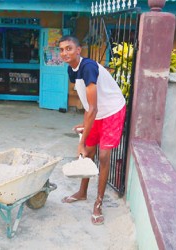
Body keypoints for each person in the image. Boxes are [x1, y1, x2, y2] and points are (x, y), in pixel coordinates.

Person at [58, 35, 126, 225]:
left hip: (112, 110)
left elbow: (93, 108)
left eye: (69, 48)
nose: (65, 53)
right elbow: (87, 102)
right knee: (88, 153)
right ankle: (82, 192)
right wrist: (85, 124)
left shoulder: (88, 66)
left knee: (103, 156)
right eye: (62, 49)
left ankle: (99, 202)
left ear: (78, 50)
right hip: (97, 112)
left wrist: (81, 140)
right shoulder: (71, 70)